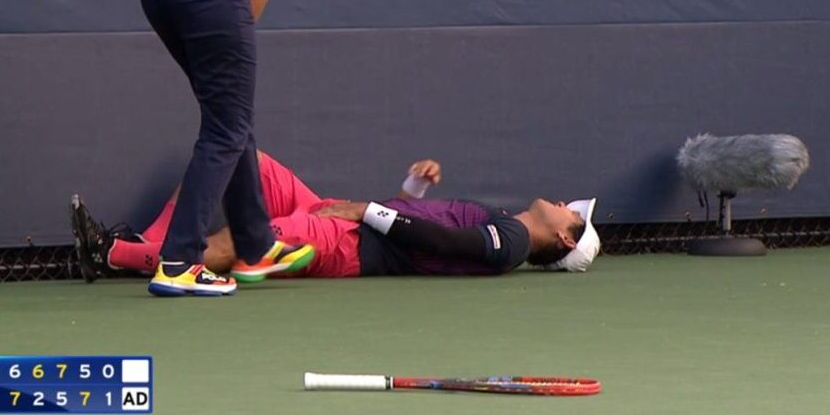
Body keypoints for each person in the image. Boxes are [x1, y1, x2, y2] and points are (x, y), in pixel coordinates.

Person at [136, 0, 354, 296]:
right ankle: (178, 261)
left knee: (228, 115)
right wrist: (236, 32)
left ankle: (255, 244)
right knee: (227, 124)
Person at [70, 152, 601, 284]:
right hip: (346, 218)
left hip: (348, 244)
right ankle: (148, 244)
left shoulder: (509, 243)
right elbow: (418, 221)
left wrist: (365, 210)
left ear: (562, 235)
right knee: (237, 157)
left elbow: (440, 242)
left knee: (244, 240)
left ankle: (117, 255)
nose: (561, 201)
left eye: (569, 212)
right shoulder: (503, 224)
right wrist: (410, 190)